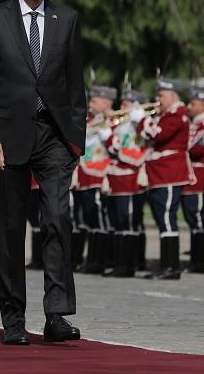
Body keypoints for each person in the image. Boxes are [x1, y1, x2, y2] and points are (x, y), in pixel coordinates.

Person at [0, 0, 86, 346]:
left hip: (53, 136)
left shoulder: (66, 19)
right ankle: (14, 319)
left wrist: (76, 141)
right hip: (7, 138)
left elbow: (76, 86)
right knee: (9, 229)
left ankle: (56, 315)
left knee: (57, 218)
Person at [134, 78, 191, 280]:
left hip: (169, 173)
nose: (158, 99)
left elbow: (158, 135)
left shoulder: (177, 114)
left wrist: (141, 120)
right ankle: (166, 265)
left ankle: (171, 267)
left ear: (173, 95)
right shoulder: (166, 114)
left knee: (167, 219)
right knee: (161, 220)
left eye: (161, 95)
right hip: (159, 173)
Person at [101, 89, 149, 278]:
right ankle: (119, 262)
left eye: (125, 105)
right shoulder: (122, 125)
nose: (121, 108)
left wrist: (110, 139)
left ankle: (127, 264)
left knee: (127, 222)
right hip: (115, 179)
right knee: (118, 223)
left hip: (129, 179)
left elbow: (134, 155)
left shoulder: (136, 127)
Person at [74, 86, 116, 274]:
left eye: (95, 101)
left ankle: (100, 260)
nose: (90, 103)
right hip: (84, 175)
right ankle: (90, 259)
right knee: (88, 220)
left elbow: (117, 147)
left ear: (107, 103)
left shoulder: (114, 121)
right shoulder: (89, 120)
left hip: (101, 175)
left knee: (100, 220)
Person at [182, 88, 204, 273]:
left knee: (198, 218)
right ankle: (196, 256)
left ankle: (199, 260)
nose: (189, 107)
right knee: (191, 217)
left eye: (193, 103)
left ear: (203, 105)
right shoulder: (193, 124)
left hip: (198, 175)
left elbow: (198, 151)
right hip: (189, 175)